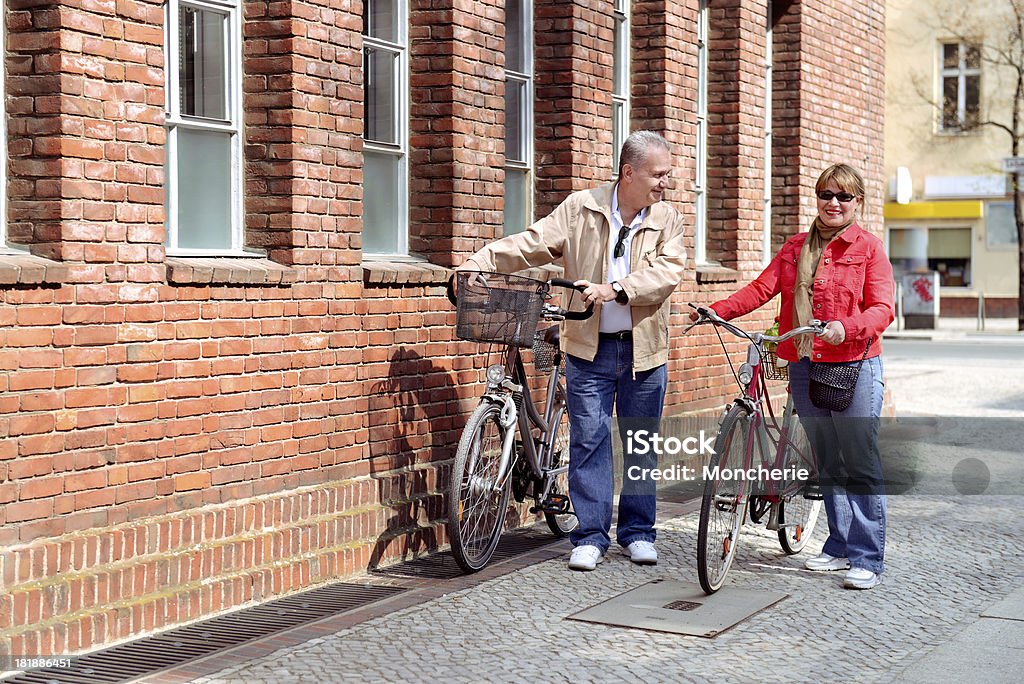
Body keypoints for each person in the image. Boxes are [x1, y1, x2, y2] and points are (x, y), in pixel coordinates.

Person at [459, 130, 688, 571]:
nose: (666, 183)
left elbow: (668, 272)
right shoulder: (580, 209)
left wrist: (616, 288)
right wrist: (480, 261)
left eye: (668, 175)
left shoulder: (668, 219)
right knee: (589, 441)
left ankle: (638, 532)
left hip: (644, 352)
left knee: (640, 444)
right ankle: (590, 536)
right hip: (589, 346)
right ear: (629, 172)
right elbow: (530, 242)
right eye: (659, 175)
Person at [694, 163, 894, 590]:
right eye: (826, 194)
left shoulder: (869, 249)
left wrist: (848, 327)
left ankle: (867, 557)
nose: (833, 203)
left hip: (853, 364)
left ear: (857, 202)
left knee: (857, 459)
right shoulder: (795, 247)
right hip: (804, 363)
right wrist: (718, 310)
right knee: (827, 458)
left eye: (843, 196)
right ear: (817, 199)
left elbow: (883, 307)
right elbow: (761, 288)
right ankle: (839, 546)